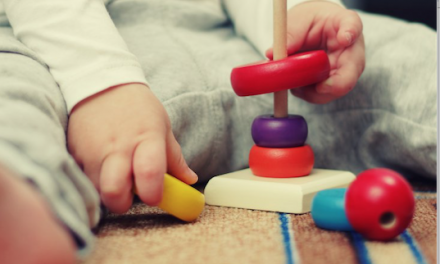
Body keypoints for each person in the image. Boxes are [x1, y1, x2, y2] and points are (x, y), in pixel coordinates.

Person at [0, 0, 435, 263]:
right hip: (62, 50)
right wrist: (101, 82)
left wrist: (293, 22)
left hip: (231, 45)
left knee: (393, 53)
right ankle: (20, 184)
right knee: (13, 91)